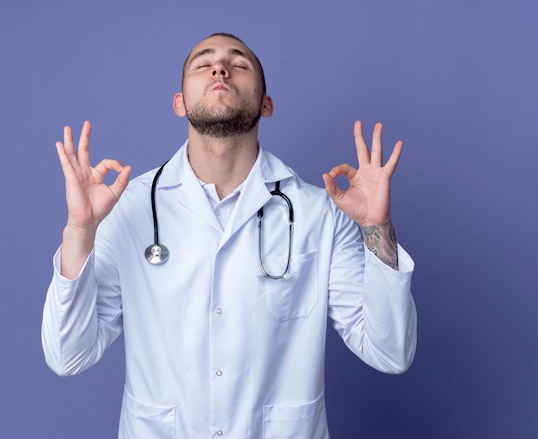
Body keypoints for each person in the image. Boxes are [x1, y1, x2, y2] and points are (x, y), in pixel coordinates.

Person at [42, 32, 417, 439]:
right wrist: (80, 230)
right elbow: (68, 356)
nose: (220, 68)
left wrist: (377, 227)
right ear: (179, 102)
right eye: (203, 64)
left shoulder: (320, 214)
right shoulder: (127, 209)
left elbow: (390, 352)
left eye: (239, 64)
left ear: (266, 104)